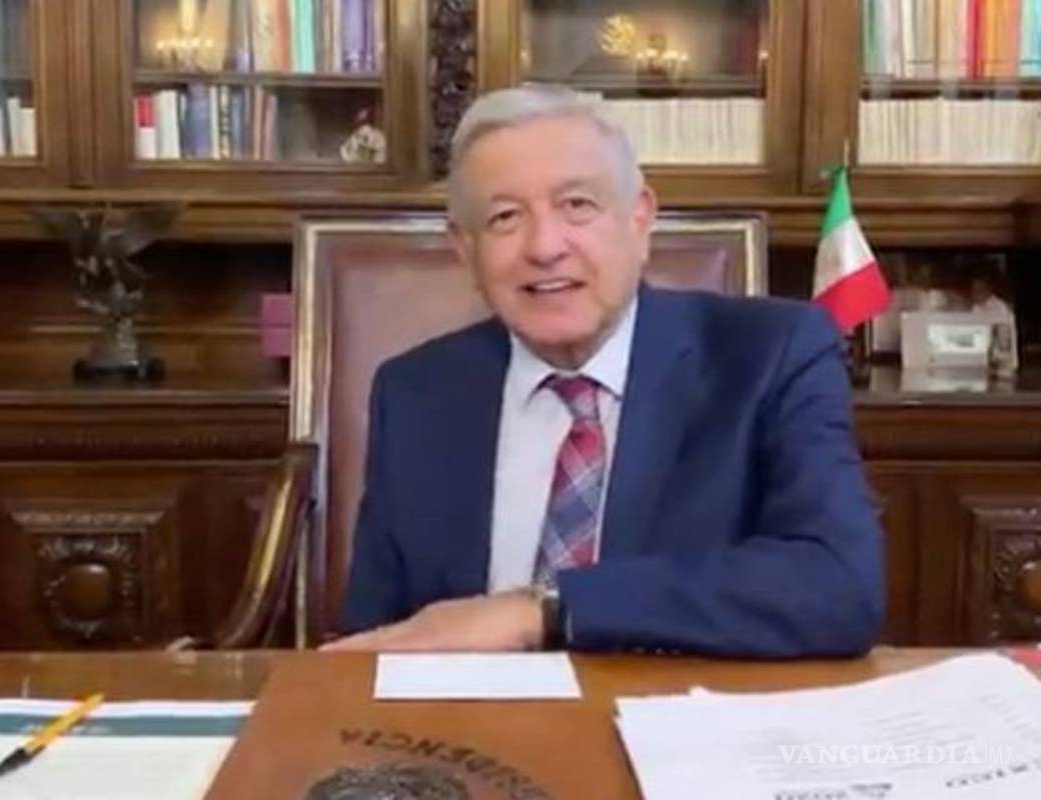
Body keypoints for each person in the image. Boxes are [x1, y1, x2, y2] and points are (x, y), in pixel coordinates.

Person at [323, 85, 884, 657]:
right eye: (505, 217)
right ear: (465, 250)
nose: (545, 247)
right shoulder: (416, 392)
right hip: (473, 714)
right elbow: (373, 639)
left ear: (640, 218)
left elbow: (838, 584)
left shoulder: (771, 355)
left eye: (577, 206)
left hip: (680, 706)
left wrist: (544, 610)